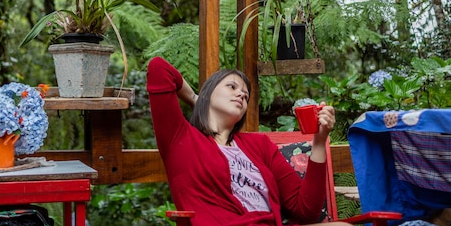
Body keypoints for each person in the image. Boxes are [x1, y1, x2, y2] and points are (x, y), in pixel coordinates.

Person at [146, 56, 352, 226]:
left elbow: (305, 211)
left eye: (245, 95)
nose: (240, 95)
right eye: (231, 86)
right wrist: (196, 98)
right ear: (208, 94)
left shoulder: (260, 146)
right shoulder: (181, 139)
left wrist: (319, 141)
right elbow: (158, 68)